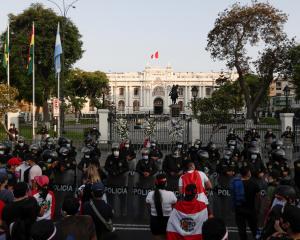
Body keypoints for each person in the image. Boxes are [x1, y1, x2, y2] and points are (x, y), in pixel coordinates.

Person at [230, 166, 260, 240]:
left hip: (239, 210)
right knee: (255, 229)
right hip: (251, 210)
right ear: (248, 173)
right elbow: (258, 197)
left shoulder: (235, 183)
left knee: (242, 230)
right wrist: (258, 209)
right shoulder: (254, 184)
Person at [146, 174, 177, 240]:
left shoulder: (150, 194)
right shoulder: (171, 194)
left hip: (154, 220)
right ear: (165, 184)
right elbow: (174, 208)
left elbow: (149, 208)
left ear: (155, 183)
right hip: (168, 220)